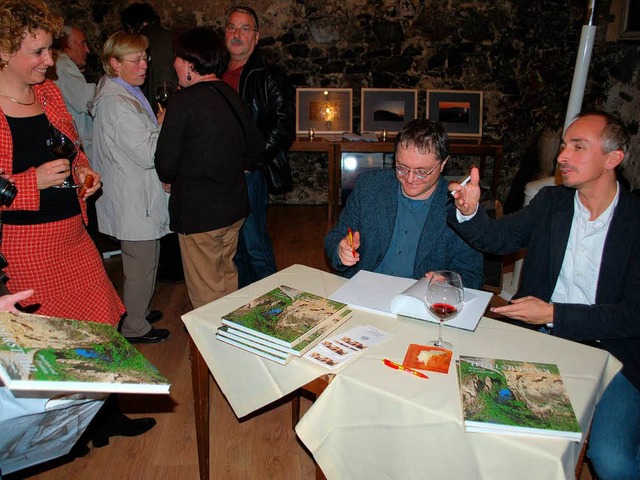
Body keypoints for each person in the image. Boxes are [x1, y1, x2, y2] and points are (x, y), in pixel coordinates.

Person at [0, 0, 155, 460]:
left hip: (70, 232)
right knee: (53, 343)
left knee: (99, 328)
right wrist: (30, 184)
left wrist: (85, 173)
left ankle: (104, 416)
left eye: (50, 50)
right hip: (24, 245)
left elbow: (72, 148)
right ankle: (61, 430)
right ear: (4, 52)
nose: (50, 62)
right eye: (38, 53)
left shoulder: (46, 95)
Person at [448, 110, 640, 479]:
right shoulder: (552, 202)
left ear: (613, 158)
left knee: (612, 460)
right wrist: (471, 213)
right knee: (482, 415)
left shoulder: (636, 222)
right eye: (564, 145)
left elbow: (632, 314)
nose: (562, 156)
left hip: (614, 354)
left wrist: (553, 314)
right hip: (541, 340)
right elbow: (500, 238)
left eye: (578, 147)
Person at [154, 27, 264, 309]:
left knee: (206, 296)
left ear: (191, 64)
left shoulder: (183, 102)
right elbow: (254, 152)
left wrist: (171, 177)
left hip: (199, 214)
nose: (174, 63)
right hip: (233, 207)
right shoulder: (231, 94)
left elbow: (165, 163)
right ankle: (229, 340)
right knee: (227, 281)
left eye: (177, 58)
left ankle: (209, 348)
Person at [324, 119, 483, 288]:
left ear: (443, 164)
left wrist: (447, 281)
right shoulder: (369, 186)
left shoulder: (460, 206)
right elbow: (337, 236)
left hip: (420, 300)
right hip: (363, 288)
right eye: (402, 167)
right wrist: (340, 250)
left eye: (422, 172)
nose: (410, 178)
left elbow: (473, 276)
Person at [88, 31, 170, 344]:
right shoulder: (116, 103)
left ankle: (137, 311)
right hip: (133, 198)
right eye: (135, 59)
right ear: (114, 64)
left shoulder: (125, 92)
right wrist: (164, 125)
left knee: (145, 262)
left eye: (144, 58)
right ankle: (135, 326)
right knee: (140, 265)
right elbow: (148, 153)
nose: (144, 64)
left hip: (137, 195)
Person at [222, 5, 295, 288]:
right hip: (221, 174)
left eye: (244, 29)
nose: (237, 34)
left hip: (249, 173)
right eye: (231, 27)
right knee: (232, 248)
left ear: (256, 37)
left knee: (254, 245)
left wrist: (253, 160)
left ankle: (271, 308)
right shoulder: (214, 72)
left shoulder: (268, 74)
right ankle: (244, 307)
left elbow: (284, 124)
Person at [120, 2, 183, 284]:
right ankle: (175, 266)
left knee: (165, 183)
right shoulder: (173, 37)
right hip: (172, 117)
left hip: (161, 118)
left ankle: (168, 269)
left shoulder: (145, 45)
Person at [51, 25, 95, 155]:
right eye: (82, 43)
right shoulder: (62, 64)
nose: (87, 50)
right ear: (67, 47)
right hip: (79, 145)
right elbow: (88, 101)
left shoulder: (60, 64)